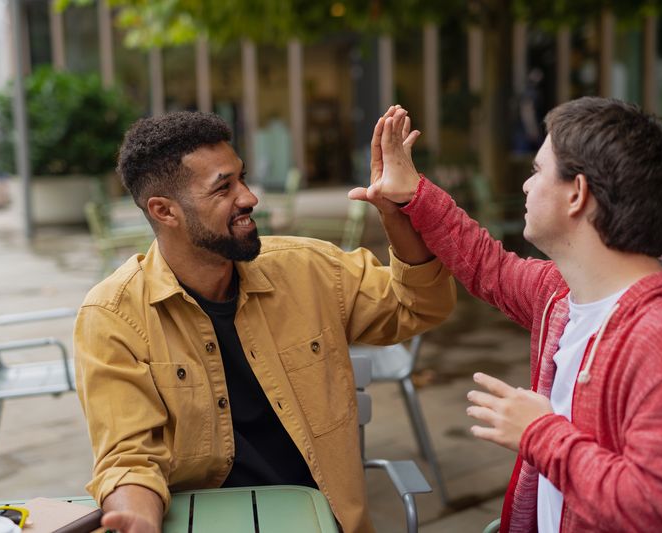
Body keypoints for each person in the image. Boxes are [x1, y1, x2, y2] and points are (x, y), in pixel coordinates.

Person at [73, 108, 456, 533]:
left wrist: (395, 214)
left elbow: (419, 306)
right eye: (223, 188)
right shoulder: (113, 316)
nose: (249, 197)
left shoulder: (307, 268)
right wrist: (137, 514)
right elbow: (128, 456)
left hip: (322, 522)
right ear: (164, 211)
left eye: (242, 178)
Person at [350, 97, 662, 532]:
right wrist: (414, 193)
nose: (526, 185)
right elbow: (489, 266)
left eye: (538, 171)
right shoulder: (562, 294)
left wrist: (540, 433)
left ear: (577, 194)